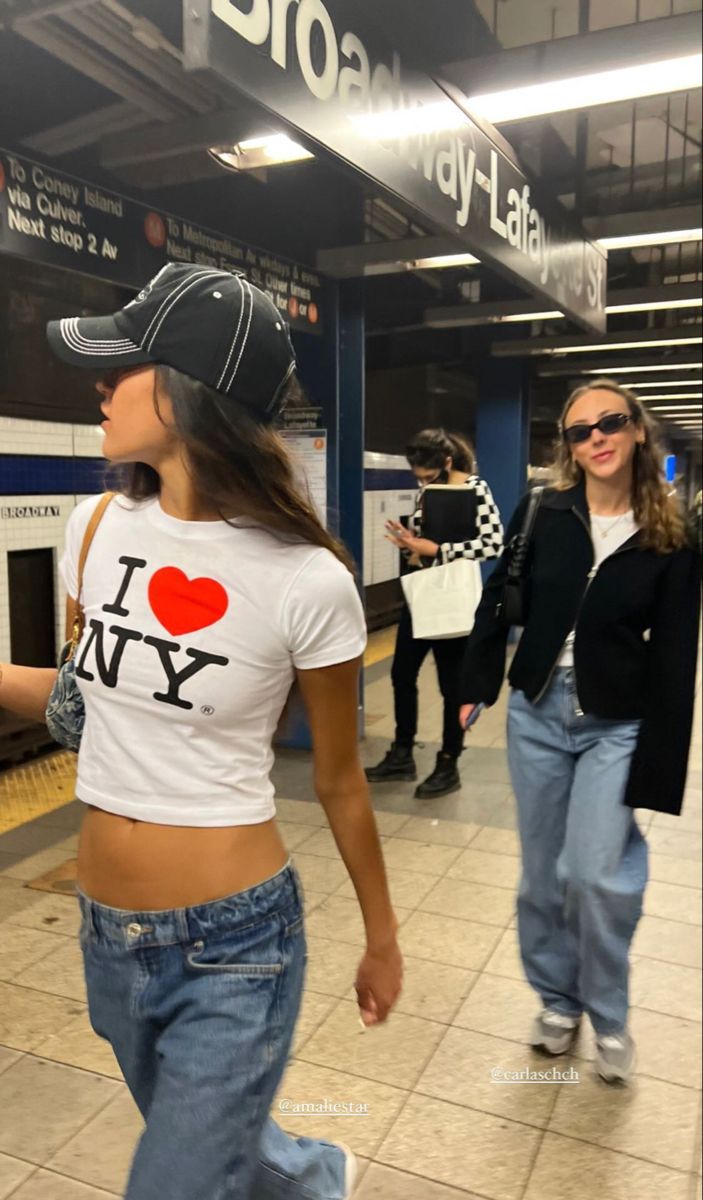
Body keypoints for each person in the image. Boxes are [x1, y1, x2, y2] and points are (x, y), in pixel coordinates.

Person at [0, 263, 402, 1199]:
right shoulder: (92, 527)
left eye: (123, 366)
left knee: (176, 1182)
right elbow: (81, 705)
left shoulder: (306, 580)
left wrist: (381, 935)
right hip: (106, 934)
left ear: (186, 395)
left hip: (235, 944)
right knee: (229, 1152)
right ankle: (317, 1178)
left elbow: (341, 779)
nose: (98, 386)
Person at [459, 380, 700, 1084]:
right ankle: (557, 1001)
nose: (595, 437)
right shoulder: (543, 509)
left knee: (594, 876)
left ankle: (609, 1011)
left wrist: (661, 760)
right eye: (578, 430)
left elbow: (676, 652)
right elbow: (496, 595)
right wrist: (474, 684)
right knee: (541, 877)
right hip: (537, 710)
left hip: (615, 721)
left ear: (635, 432)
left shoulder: (672, 535)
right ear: (566, 446)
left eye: (609, 423)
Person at [366, 428, 503, 799]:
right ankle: (402, 752)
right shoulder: (430, 490)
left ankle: (448, 762)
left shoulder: (476, 488)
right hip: (422, 595)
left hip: (453, 600)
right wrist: (408, 540)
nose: (422, 483)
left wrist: (437, 549)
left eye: (427, 476)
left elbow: (493, 543)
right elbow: (428, 537)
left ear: (446, 462)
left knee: (451, 685)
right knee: (401, 673)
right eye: (418, 478)